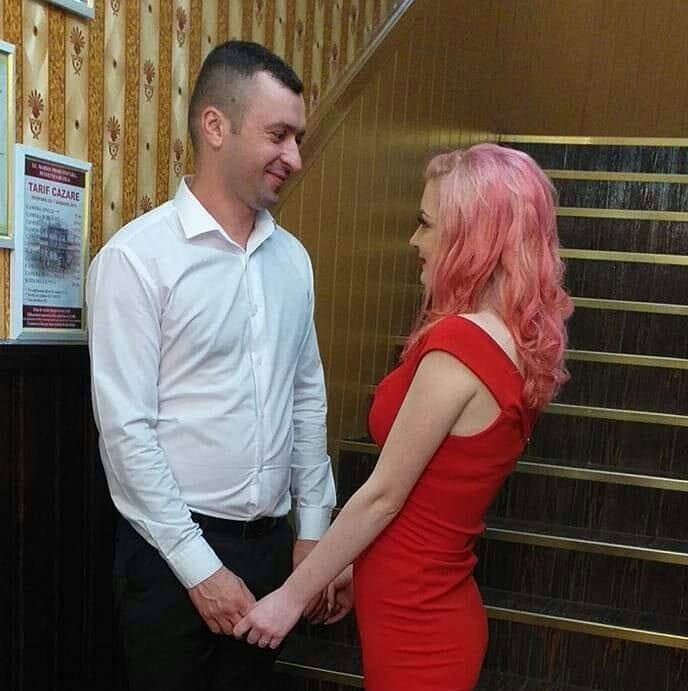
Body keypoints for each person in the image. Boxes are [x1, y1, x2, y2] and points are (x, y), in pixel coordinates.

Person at [234, 143, 574, 690]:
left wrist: (291, 598)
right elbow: (431, 499)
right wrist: (355, 564)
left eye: (426, 223)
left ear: (473, 236)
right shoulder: (510, 342)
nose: (415, 241)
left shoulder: (460, 344)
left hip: (418, 620)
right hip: (423, 606)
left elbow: (383, 496)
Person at [86, 41, 350, 691]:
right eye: (278, 135)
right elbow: (126, 433)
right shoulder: (136, 260)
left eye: (298, 138)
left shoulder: (294, 261)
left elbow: (306, 396)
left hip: (270, 550)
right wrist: (199, 568)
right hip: (168, 558)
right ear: (215, 126)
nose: (295, 156)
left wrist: (314, 528)